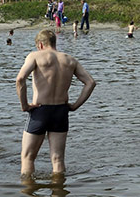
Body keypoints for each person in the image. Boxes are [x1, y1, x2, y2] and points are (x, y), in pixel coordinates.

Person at [15, 29, 96, 175]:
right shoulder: (70, 60)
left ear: (40, 44)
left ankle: (28, 194)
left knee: (28, 157)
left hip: (40, 110)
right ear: (54, 42)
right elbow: (90, 83)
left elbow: (20, 79)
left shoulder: (35, 56)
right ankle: (59, 194)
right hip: (61, 111)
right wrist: (75, 106)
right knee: (58, 159)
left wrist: (25, 105)